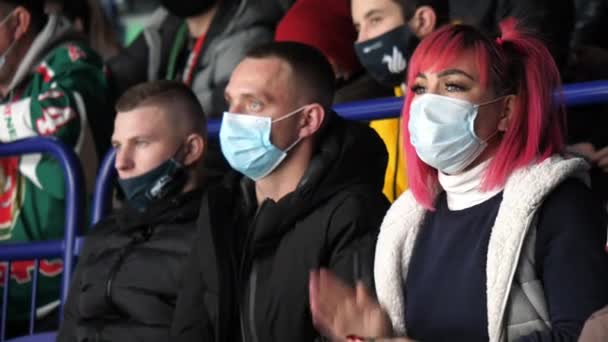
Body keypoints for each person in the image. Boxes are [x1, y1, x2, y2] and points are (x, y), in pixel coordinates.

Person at [308, 20, 608, 341]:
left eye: (453, 86)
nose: (427, 104)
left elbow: (585, 334)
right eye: (420, 88)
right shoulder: (407, 222)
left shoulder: (561, 204)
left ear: (506, 111)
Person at [170, 42, 390, 342]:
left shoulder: (354, 213)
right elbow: (192, 325)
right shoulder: (221, 204)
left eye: (254, 104)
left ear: (307, 120)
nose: (232, 118)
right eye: (230, 102)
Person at [57, 80, 207, 342]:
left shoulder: (214, 234)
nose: (121, 163)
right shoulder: (103, 233)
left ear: (191, 149)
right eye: (117, 146)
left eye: (141, 143)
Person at [0, 0, 112, 335]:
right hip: (8, 296)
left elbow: (61, 113)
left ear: (18, 22)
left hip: (58, 295)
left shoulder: (73, 61)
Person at [350, 0, 449, 203]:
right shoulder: (384, 108)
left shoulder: (472, 95)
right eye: (358, 27)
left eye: (375, 20)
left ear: (422, 21)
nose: (362, 39)